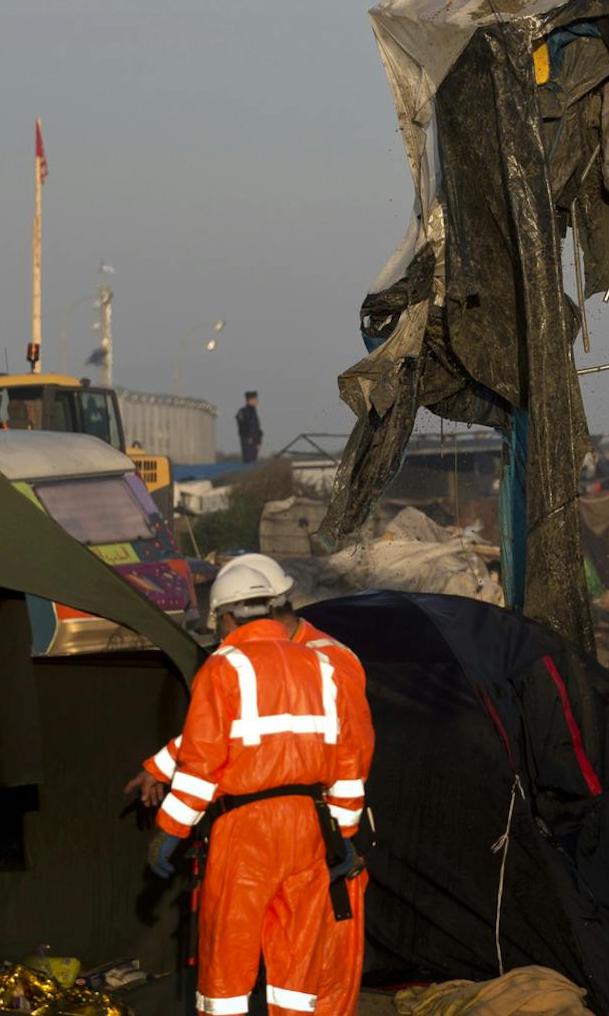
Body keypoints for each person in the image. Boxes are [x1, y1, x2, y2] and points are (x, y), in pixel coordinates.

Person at [128, 554, 374, 1016]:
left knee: (227, 965)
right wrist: (340, 836)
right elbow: (347, 757)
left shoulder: (224, 667)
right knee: (297, 972)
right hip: (309, 830)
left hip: (246, 831)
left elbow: (205, 758)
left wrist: (171, 830)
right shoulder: (321, 666)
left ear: (226, 616)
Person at [236, 391, 263, 464]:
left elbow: (256, 428)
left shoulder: (253, 411)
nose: (257, 401)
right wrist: (248, 437)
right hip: (248, 442)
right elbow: (242, 427)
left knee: (253, 462)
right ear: (250, 400)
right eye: (255, 399)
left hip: (255, 442)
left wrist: (258, 441)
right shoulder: (243, 412)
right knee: (249, 462)